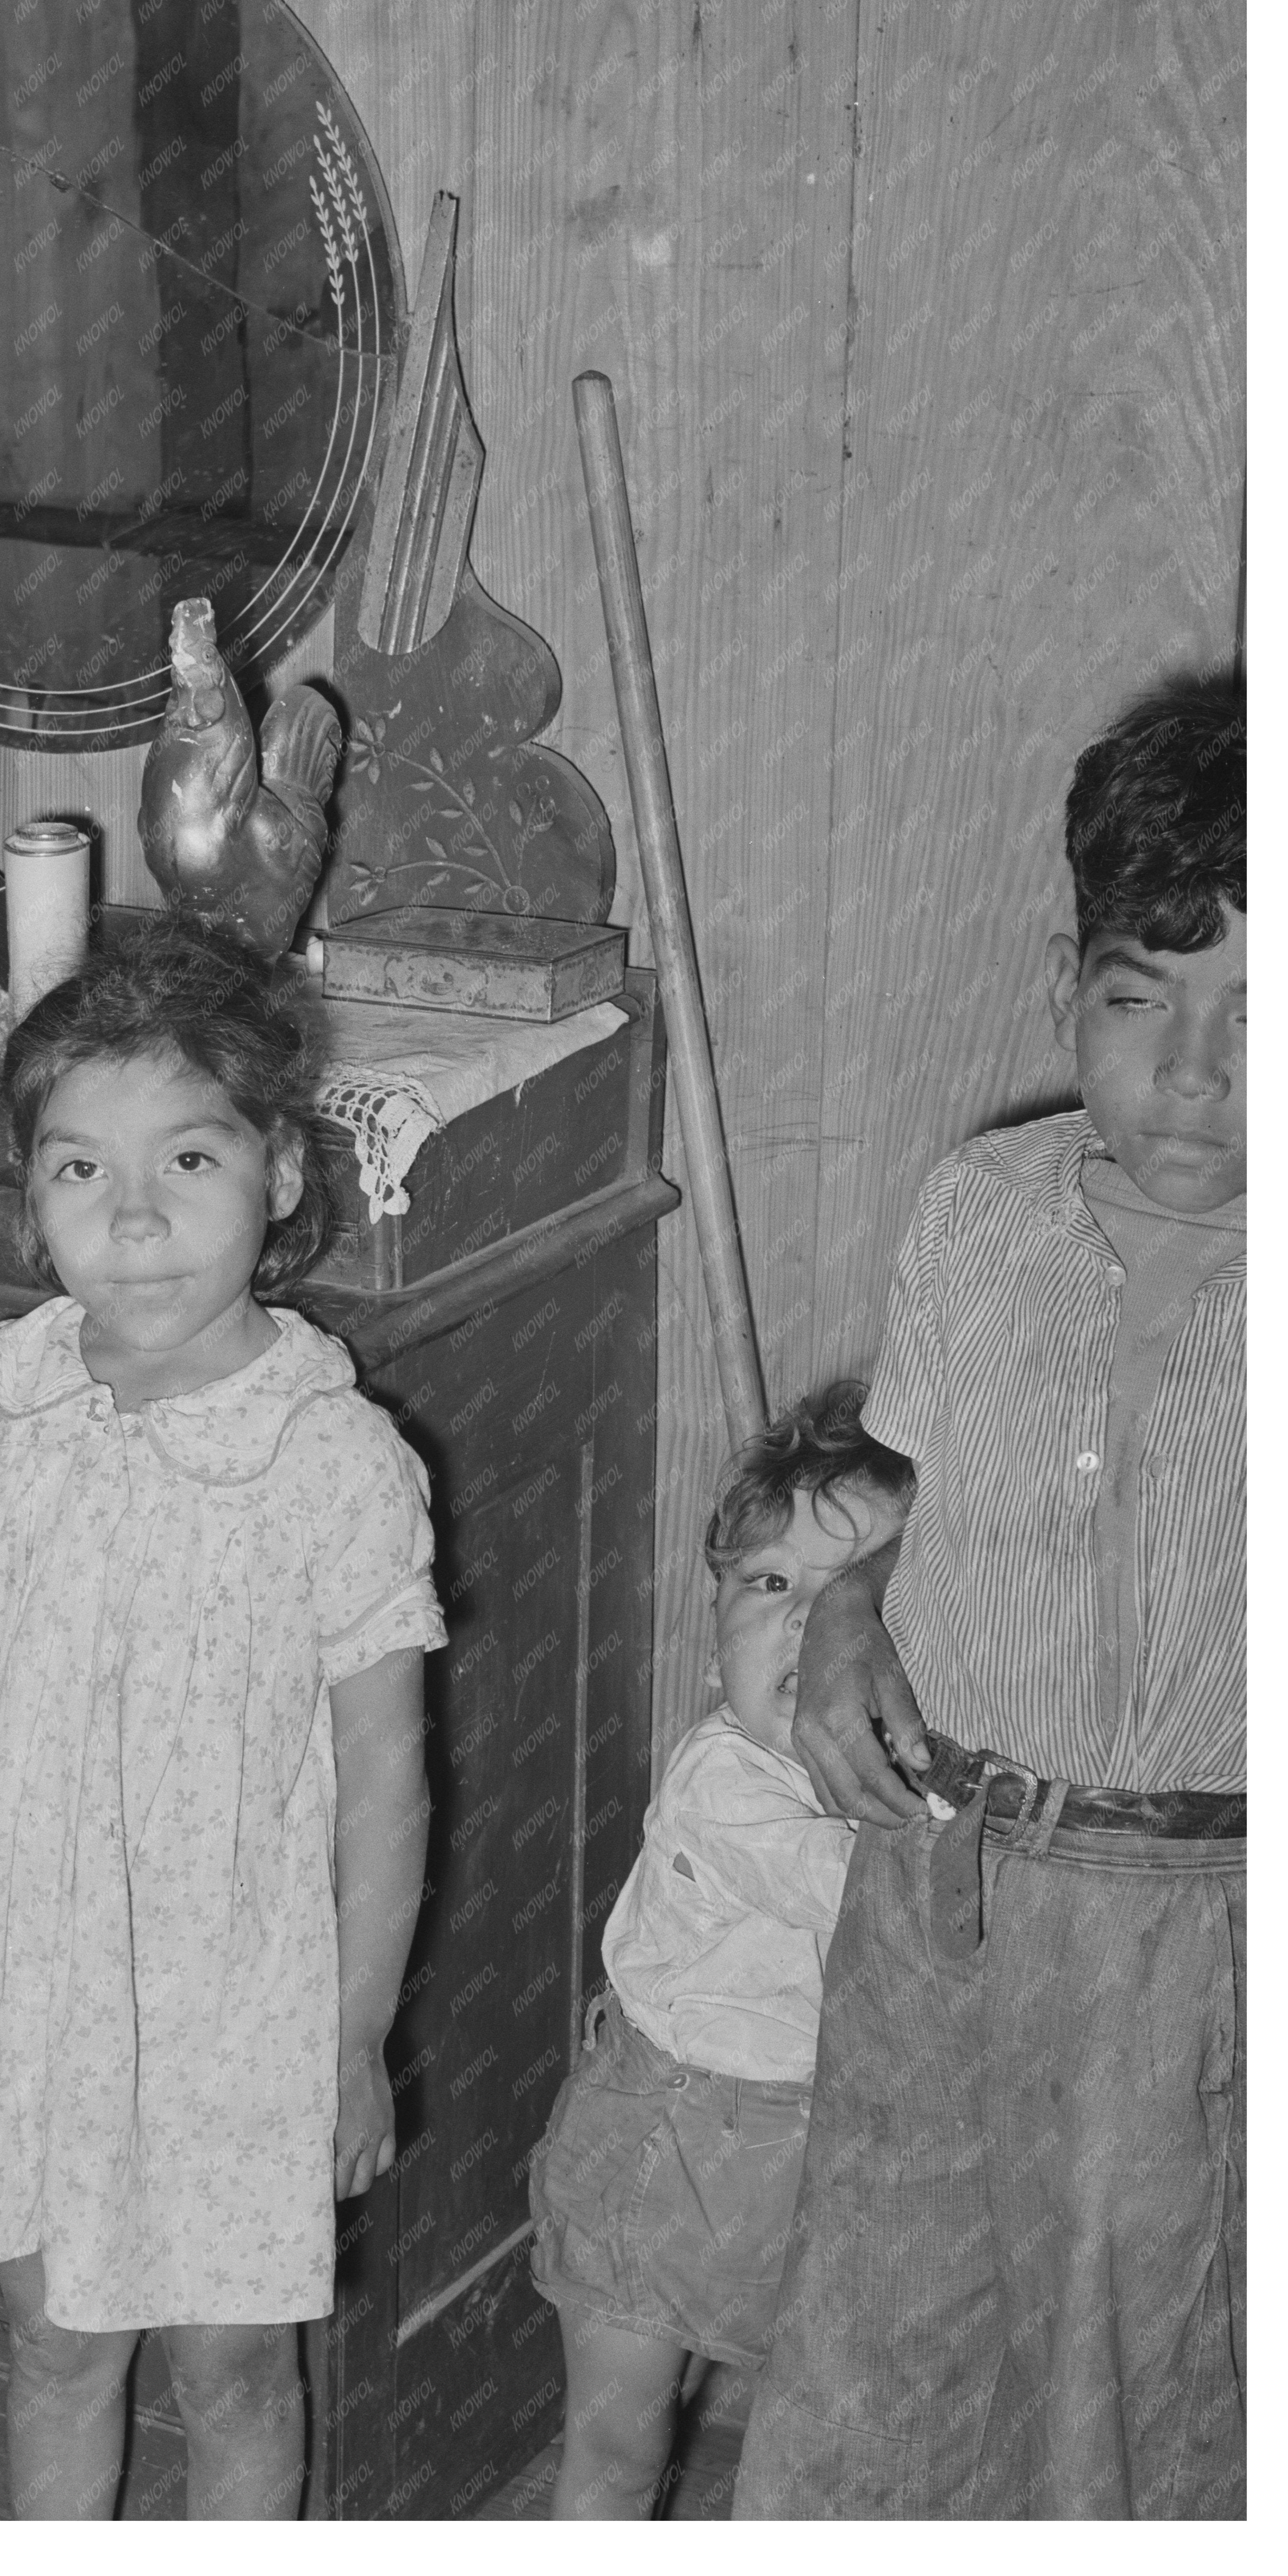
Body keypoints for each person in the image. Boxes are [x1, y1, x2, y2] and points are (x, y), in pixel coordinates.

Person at [736, 667, 1245, 2518]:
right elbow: (920, 1491)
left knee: (1131, 2396)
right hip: (939, 1887)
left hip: (1194, 1929)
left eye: (1259, 1016)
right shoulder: (976, 1209)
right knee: (881, 2345)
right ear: (1065, 988)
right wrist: (852, 1612)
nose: (1192, 1074)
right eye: (1144, 1000)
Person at [0, 917, 441, 2519]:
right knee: (53, 2341)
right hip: (23, 1982)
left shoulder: (330, 1458)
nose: (132, 1217)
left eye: (186, 1158)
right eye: (77, 1170)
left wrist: (349, 2036)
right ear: (30, 1188)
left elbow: (384, 1777)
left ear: (276, 1169)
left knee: (233, 2367)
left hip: (233, 2010)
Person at [528, 1385, 912, 2519]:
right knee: (616, 2445)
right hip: (666, 2152)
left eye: (851, 1595)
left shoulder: (912, 1781)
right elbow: (868, 1899)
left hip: (814, 2150)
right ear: (712, 1641)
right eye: (768, 1585)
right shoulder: (725, 1782)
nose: (802, 1623)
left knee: (817, 2439)